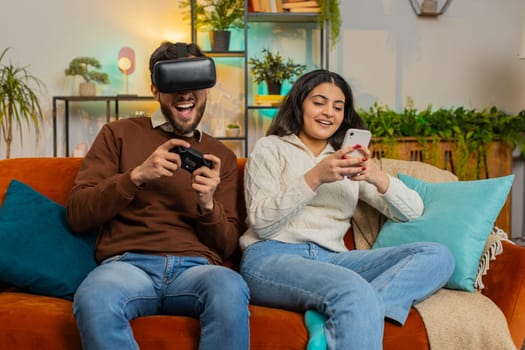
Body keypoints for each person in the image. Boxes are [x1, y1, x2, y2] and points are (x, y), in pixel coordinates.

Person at [239, 69, 454, 350]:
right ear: (299, 104)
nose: (329, 112)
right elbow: (263, 224)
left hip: (333, 261)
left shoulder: (345, 158)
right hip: (272, 257)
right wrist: (315, 177)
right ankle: (348, 305)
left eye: (338, 107)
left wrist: (376, 176)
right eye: (319, 102)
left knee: (438, 256)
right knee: (352, 289)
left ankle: (334, 315)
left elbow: (412, 212)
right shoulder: (270, 148)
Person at [67, 41, 249, 350]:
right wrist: (136, 177)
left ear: (206, 89)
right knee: (93, 297)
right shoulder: (118, 134)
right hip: (128, 266)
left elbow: (227, 245)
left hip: (196, 270)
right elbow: (78, 214)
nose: (185, 93)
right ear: (155, 90)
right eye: (174, 84)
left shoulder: (221, 156)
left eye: (194, 83)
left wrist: (208, 205)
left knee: (230, 287)